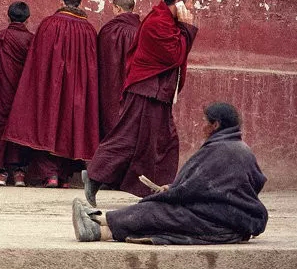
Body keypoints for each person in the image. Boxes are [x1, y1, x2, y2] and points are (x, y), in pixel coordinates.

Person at [73, 102, 267, 245]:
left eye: (204, 122)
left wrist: (168, 193)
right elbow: (255, 182)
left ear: (215, 125)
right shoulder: (241, 148)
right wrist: (173, 188)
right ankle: (99, 227)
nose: (201, 126)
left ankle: (99, 223)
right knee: (163, 214)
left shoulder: (220, 150)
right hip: (230, 217)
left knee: (158, 211)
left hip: (221, 220)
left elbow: (191, 189)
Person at [84, 0, 199, 204]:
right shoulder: (158, 22)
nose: (193, 8)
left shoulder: (167, 21)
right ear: (179, 3)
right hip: (147, 91)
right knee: (129, 138)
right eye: (191, 2)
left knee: (161, 142)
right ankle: (96, 176)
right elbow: (175, 55)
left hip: (157, 94)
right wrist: (188, 28)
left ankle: (156, 192)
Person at [4, 0, 99, 187]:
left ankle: (51, 175)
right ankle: (63, 177)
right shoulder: (89, 30)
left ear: (61, 1)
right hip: (77, 91)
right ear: (79, 4)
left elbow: (37, 60)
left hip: (51, 87)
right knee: (70, 126)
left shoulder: (49, 24)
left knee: (48, 124)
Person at [0, 1, 33, 187]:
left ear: (8, 16)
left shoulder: (1, 38)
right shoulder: (31, 40)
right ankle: (19, 172)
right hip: (23, 93)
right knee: (21, 129)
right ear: (28, 19)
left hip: (1, 91)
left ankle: (0, 172)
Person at [97, 0, 141, 139]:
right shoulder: (141, 32)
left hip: (109, 88)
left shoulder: (108, 30)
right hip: (134, 88)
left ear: (117, 8)